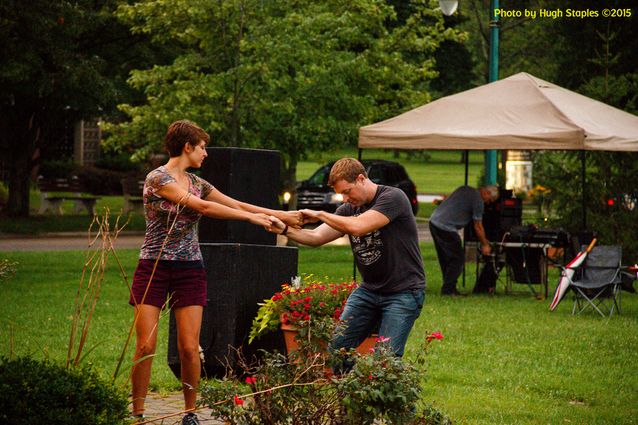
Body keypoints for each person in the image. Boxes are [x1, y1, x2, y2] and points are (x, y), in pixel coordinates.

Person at [129, 120, 301, 424]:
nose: (206, 153)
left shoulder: (198, 182)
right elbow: (204, 209)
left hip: (189, 268)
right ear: (187, 147)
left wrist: (280, 214)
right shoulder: (158, 179)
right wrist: (255, 221)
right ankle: (139, 413)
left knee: (188, 346)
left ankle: (190, 412)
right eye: (202, 146)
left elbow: (235, 202)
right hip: (153, 266)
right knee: (146, 344)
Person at [268, 158, 425, 359]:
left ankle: (382, 387)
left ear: (361, 179)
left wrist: (320, 214)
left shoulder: (393, 197)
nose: (345, 199)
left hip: (403, 291)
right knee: (337, 349)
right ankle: (347, 388)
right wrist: (285, 229)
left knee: (385, 359)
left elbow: (358, 227)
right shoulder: (349, 209)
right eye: (341, 194)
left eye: (347, 192)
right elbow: (316, 237)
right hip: (369, 291)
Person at [428, 185, 499, 296]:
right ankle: (448, 290)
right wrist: (485, 244)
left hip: (434, 222)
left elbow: (448, 200)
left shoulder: (465, 189)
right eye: (490, 200)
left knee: (445, 258)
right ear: (487, 193)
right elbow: (478, 225)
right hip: (446, 227)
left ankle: (449, 287)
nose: (488, 203)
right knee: (458, 259)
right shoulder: (478, 201)